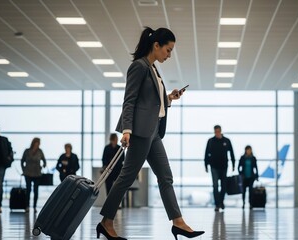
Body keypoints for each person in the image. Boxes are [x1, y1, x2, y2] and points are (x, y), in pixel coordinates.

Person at [97, 27, 204, 240]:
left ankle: (178, 222)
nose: (169, 55)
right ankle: (106, 222)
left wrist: (169, 97)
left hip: (154, 131)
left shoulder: (153, 69)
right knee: (126, 178)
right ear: (156, 45)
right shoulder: (139, 67)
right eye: (168, 49)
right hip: (139, 132)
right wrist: (127, 130)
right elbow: (130, 100)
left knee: (166, 177)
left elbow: (151, 101)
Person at [204, 125, 236, 212]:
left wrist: (233, 164)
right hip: (214, 167)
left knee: (223, 186)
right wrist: (206, 165)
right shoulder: (211, 141)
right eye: (216, 131)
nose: (217, 133)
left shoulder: (226, 141)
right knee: (215, 186)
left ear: (221, 131)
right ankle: (217, 204)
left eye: (218, 131)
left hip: (224, 166)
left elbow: (231, 153)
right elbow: (206, 153)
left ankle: (221, 202)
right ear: (214, 132)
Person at [21, 138, 46, 213]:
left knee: (36, 191)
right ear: (33, 143)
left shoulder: (40, 151)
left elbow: (44, 161)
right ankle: (27, 206)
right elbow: (22, 161)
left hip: (37, 174)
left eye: (38, 143)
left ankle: (34, 206)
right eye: (36, 143)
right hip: (28, 173)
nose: (37, 144)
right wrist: (23, 169)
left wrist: (42, 166)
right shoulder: (27, 151)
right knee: (28, 190)